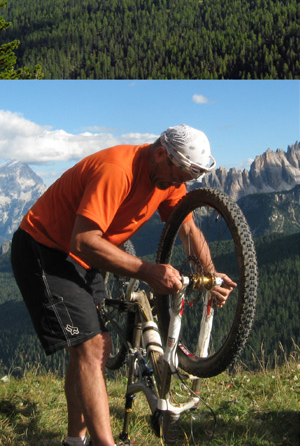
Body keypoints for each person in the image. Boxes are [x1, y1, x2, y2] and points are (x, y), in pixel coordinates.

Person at [10, 126, 235, 446]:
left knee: (92, 348)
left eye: (187, 178)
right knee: (91, 347)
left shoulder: (169, 176)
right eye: (179, 175)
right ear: (161, 154)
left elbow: (188, 231)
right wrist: (148, 271)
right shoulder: (117, 171)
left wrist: (209, 278)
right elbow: (84, 240)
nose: (178, 184)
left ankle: (75, 441)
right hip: (44, 249)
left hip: (86, 258)